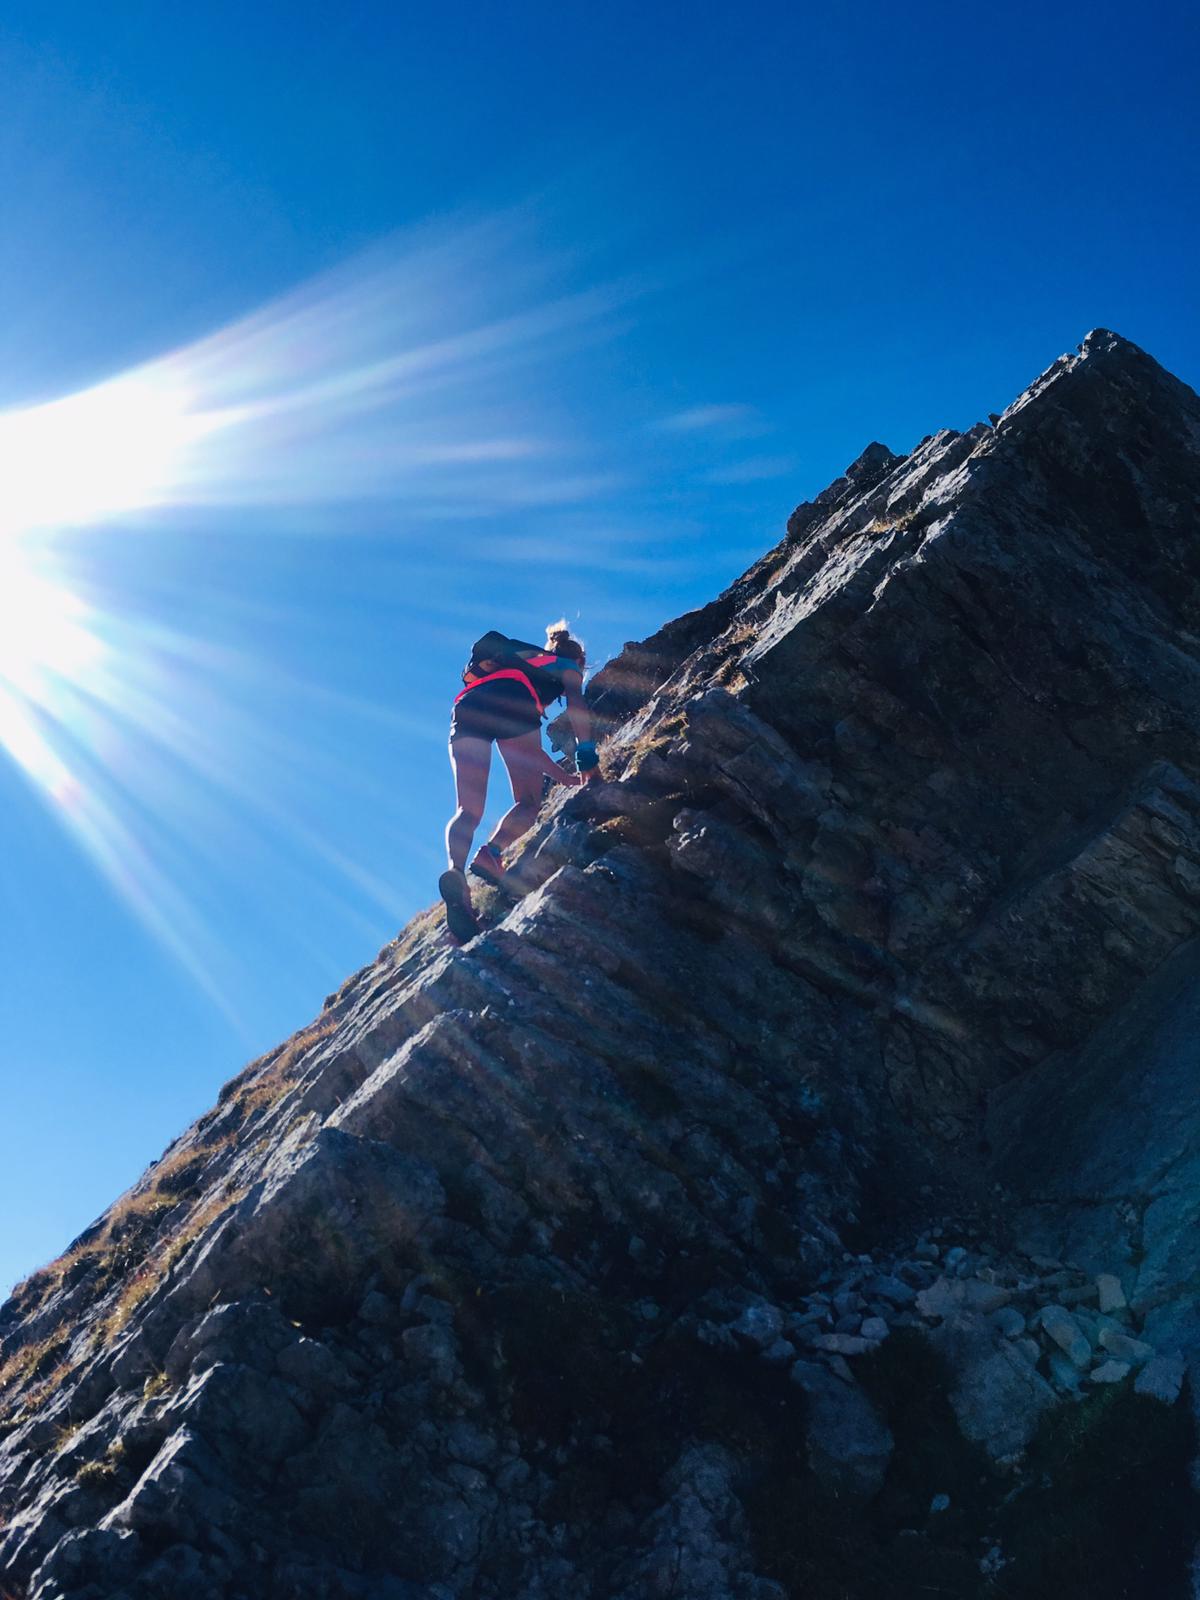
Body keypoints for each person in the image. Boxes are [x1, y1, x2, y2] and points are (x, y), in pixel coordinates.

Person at [439, 621, 599, 943]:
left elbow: (532, 754)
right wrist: (587, 758)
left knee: (467, 811)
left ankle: (457, 875)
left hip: (467, 705)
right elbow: (577, 708)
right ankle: (491, 853)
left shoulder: (526, 662)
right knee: (527, 802)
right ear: (579, 660)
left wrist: (564, 777)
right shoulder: (568, 667)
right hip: (514, 702)